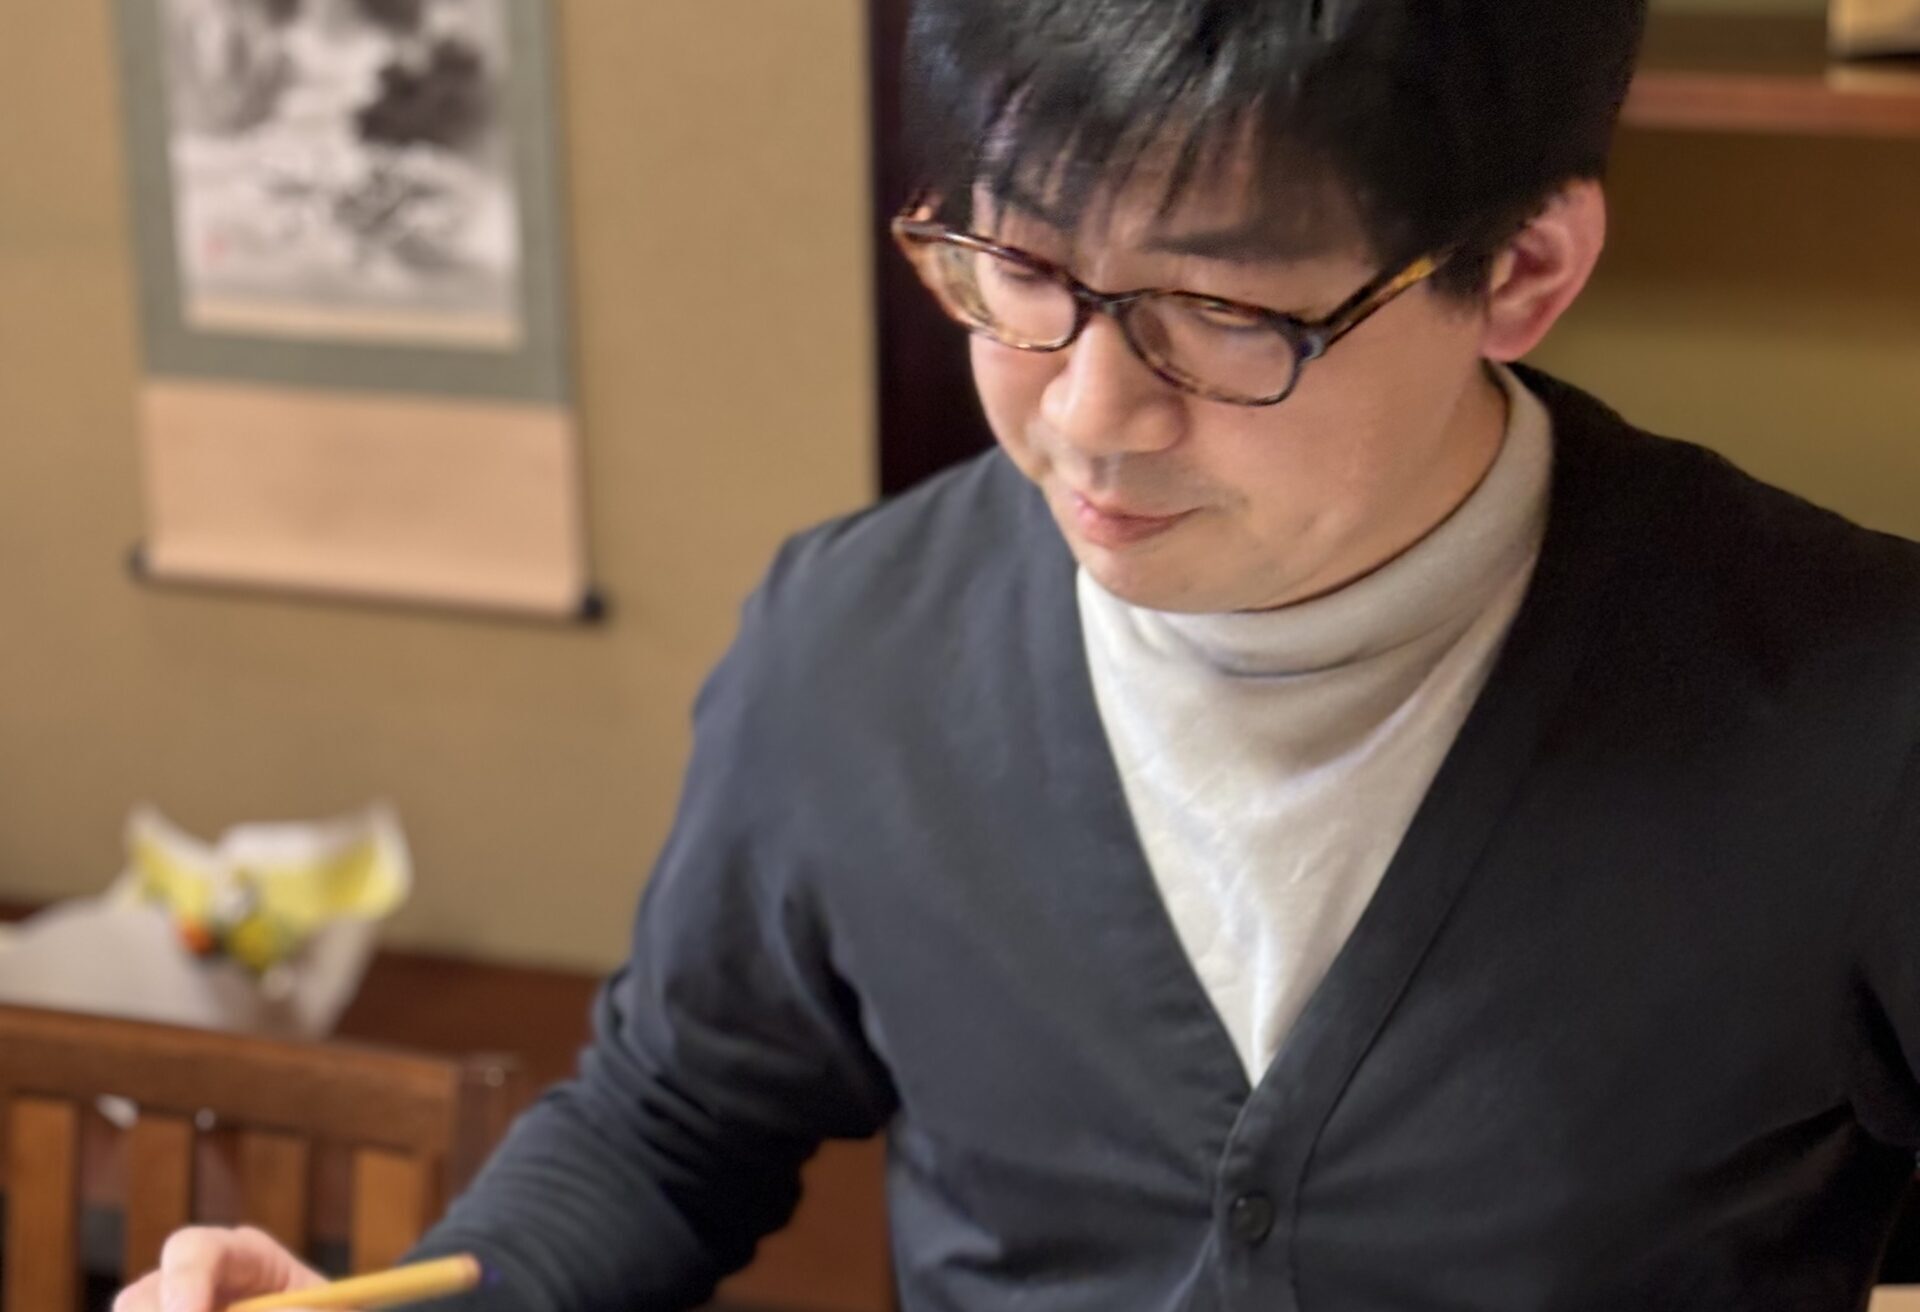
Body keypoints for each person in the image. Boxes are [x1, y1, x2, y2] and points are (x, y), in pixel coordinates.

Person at [116, 1, 1920, 1309]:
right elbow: (673, 1124)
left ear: (1522, 270)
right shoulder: (854, 654)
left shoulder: (1857, 716)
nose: (1085, 415)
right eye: (1020, 268)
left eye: (1220, 314)